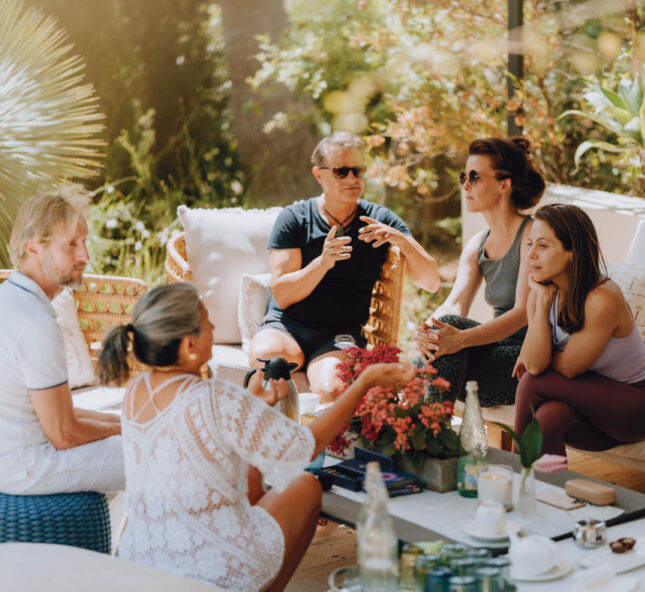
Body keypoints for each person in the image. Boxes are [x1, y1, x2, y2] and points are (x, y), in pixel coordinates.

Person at [99, 282, 414, 592]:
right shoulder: (215, 396)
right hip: (212, 569)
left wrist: (252, 404)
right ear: (188, 346)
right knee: (306, 486)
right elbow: (305, 447)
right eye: (206, 322)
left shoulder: (135, 392)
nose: (212, 327)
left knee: (249, 474)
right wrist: (362, 385)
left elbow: (203, 436)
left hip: (142, 560)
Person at [249, 131, 439, 402]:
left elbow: (431, 282)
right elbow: (282, 294)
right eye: (341, 171)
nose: (352, 179)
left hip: (339, 334)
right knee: (266, 360)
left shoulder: (379, 219)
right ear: (319, 175)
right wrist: (323, 263)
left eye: (358, 171)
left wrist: (402, 241)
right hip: (288, 326)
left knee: (331, 388)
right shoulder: (294, 218)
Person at [512, 203, 645, 457]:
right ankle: (544, 483)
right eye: (529, 244)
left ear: (573, 252)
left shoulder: (602, 298)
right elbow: (533, 364)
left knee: (533, 382)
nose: (531, 254)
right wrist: (542, 304)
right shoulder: (541, 294)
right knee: (549, 418)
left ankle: (513, 471)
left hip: (642, 404)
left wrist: (539, 356)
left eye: (542, 245)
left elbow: (564, 368)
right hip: (594, 404)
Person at [0, 192, 123, 495]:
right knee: (161, 452)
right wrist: (129, 431)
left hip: (13, 456)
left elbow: (60, 413)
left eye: (84, 242)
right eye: (71, 244)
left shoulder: (10, 297)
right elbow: (64, 433)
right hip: (26, 467)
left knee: (140, 437)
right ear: (33, 248)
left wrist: (122, 422)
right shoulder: (36, 324)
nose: (85, 256)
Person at [415, 137, 544, 406]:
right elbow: (455, 304)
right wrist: (428, 331)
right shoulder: (477, 244)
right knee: (431, 349)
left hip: (529, 356)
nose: (465, 185)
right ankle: (429, 425)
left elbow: (523, 312)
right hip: (496, 351)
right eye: (464, 176)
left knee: (439, 353)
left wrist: (460, 339)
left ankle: (427, 426)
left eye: (474, 177)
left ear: (504, 185)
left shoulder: (531, 234)